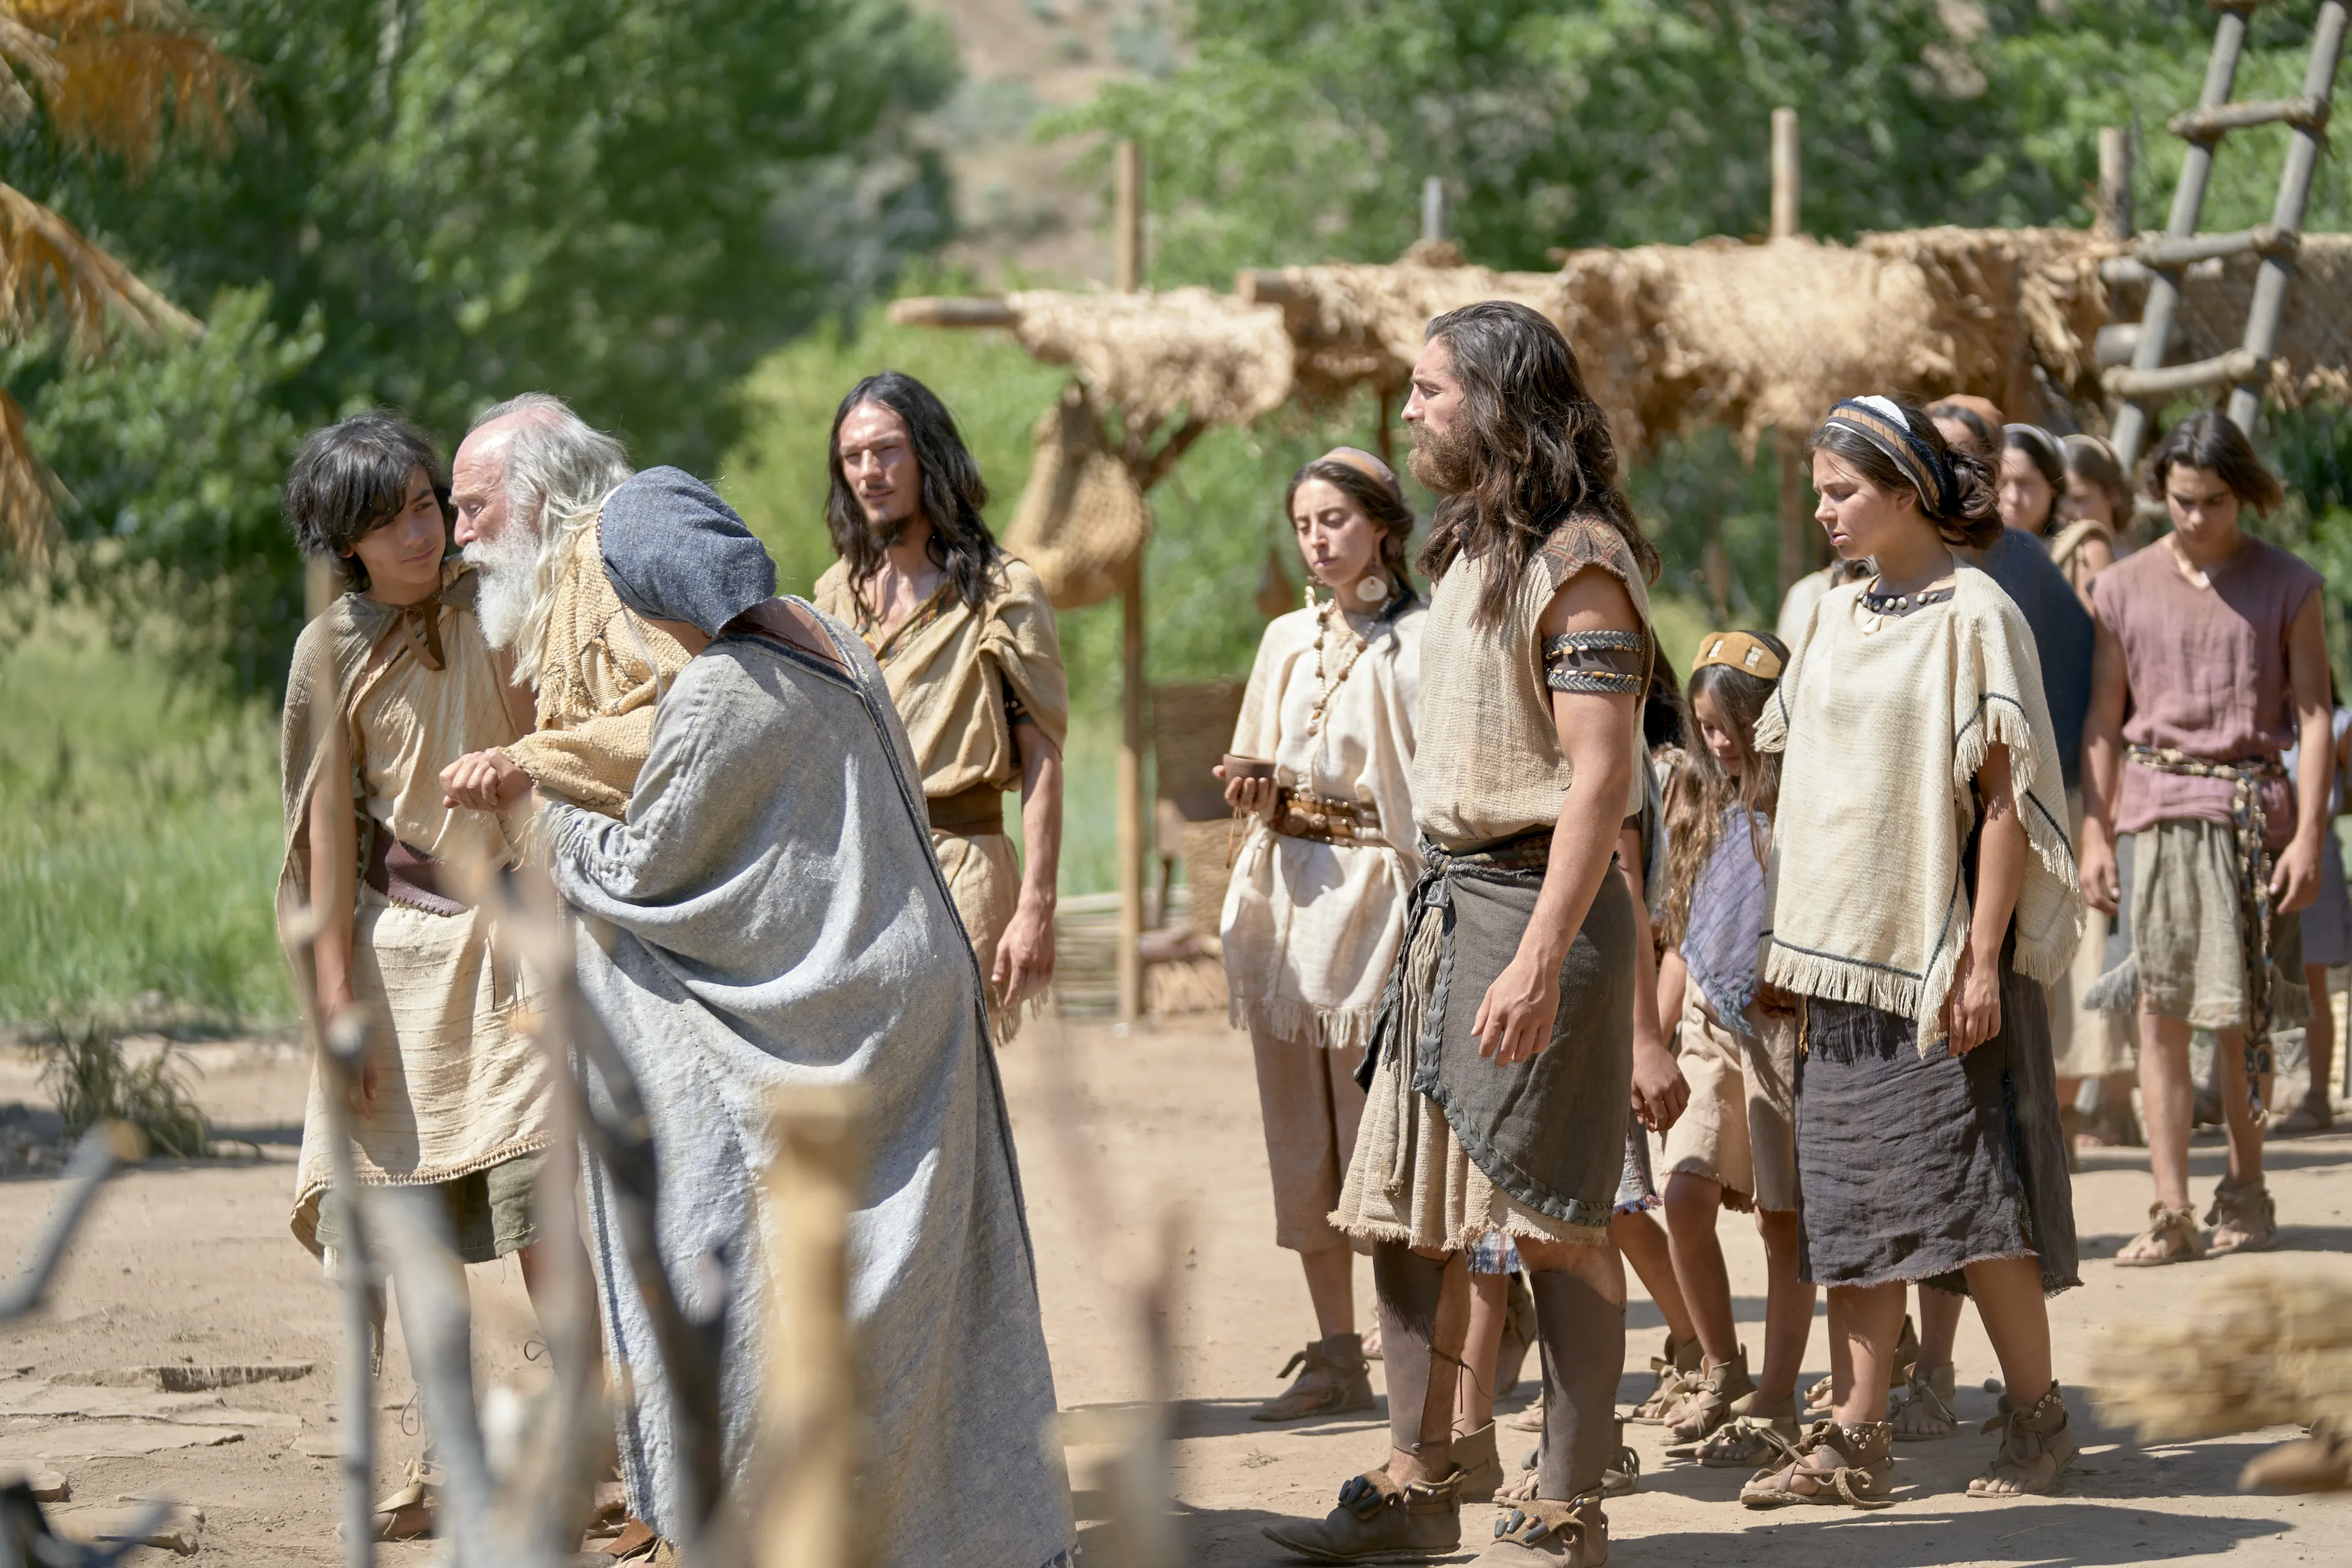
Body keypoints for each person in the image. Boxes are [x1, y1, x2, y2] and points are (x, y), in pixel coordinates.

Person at [539, 466, 1073, 1566]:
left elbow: (650, 870)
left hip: (848, 1015)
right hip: (915, 990)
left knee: (825, 1300)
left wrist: (543, 824)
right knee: (921, 1284)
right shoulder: (829, 632)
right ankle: (958, 1532)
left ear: (643, 592)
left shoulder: (720, 689)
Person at [1262, 300, 1662, 1567]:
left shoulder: (1580, 557)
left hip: (1543, 912)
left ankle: (1564, 1503)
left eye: (1432, 388)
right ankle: (1418, 1476)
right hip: (1450, 916)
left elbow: (1600, 777)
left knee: (1550, 1222)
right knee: (1403, 1214)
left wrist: (1545, 953)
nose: (1412, 409)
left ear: (1496, 401)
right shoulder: (1475, 546)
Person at [1743, 394, 2084, 1508]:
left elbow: (2004, 807)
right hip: (1839, 963)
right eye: (1818, 493)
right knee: (1847, 1208)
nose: (1824, 511)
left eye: (1843, 493)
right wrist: (1783, 949)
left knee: (1972, 1203)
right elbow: (1807, 795)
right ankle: (1855, 1438)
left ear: (1907, 491)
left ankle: (2039, 1424)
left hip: (1933, 964)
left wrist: (1981, 959)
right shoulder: (1835, 616)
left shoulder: (1976, 614)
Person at [276, 413, 564, 1539]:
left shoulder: (496, 599)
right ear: (347, 541)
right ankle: (450, 1463)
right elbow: (319, 841)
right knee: (410, 1231)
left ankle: (618, 1452)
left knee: (550, 1212)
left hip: (517, 952)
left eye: (429, 505)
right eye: (393, 518)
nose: (423, 530)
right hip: (394, 964)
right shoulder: (326, 652)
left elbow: (553, 754)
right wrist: (336, 1008)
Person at [2081, 412, 2333, 1262]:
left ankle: (2246, 1188)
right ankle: (2169, 1210)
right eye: (2183, 501)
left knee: (2244, 1014)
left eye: (2216, 501)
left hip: (2254, 816)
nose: (2198, 517)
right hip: (2154, 812)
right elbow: (2104, 722)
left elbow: (2312, 713)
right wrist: (2096, 834)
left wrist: (2307, 834)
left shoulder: (2291, 584)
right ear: (2161, 494)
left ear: (2245, 493)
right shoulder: (2120, 588)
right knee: (2160, 1014)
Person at [1214, 446, 1427, 1423]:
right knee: (1300, 1142)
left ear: (1382, 524)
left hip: (1380, 904)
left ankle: (1430, 1355)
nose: (1318, 537)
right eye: (1305, 523)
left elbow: (1430, 795)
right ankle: (1339, 1354)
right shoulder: (1282, 640)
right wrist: (1254, 789)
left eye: (1335, 519)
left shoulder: (1422, 643)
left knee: (1380, 1141)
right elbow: (1253, 759)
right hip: (1286, 906)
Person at [812, 373, 1068, 1039]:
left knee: (952, 1099)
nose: (870, 470)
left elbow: (1042, 756)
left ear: (929, 454)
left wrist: (1036, 904)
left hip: (963, 868)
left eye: (888, 450)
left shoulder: (1002, 591)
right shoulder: (834, 595)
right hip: (861, 875)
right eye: (853, 456)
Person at [1645, 632, 1817, 1472]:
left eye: (1736, 724)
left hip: (1784, 1030)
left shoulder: (1807, 809)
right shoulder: (1705, 805)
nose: (1721, 741)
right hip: (1709, 1026)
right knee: (1683, 1194)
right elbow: (1680, 935)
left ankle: (1778, 1397)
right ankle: (1721, 1366)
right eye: (1708, 725)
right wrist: (1657, 1040)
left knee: (1784, 1222)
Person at [437, 393, 693, 820]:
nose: (461, 533)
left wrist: (527, 761)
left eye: (474, 507)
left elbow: (691, 713)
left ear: (536, 495)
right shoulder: (563, 579)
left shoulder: (603, 562)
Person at [2275, 688, 2352, 1136]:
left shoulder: (2338, 725)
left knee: (2312, 983)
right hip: (2256, 859)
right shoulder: (2259, 720)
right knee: (2249, 980)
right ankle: (2227, 1092)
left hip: (2316, 862)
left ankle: (2319, 1095)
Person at [2056, 433, 2132, 595]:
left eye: (2079, 499)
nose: (2066, 511)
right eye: (2060, 500)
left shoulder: (2135, 565)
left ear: (2112, 494)